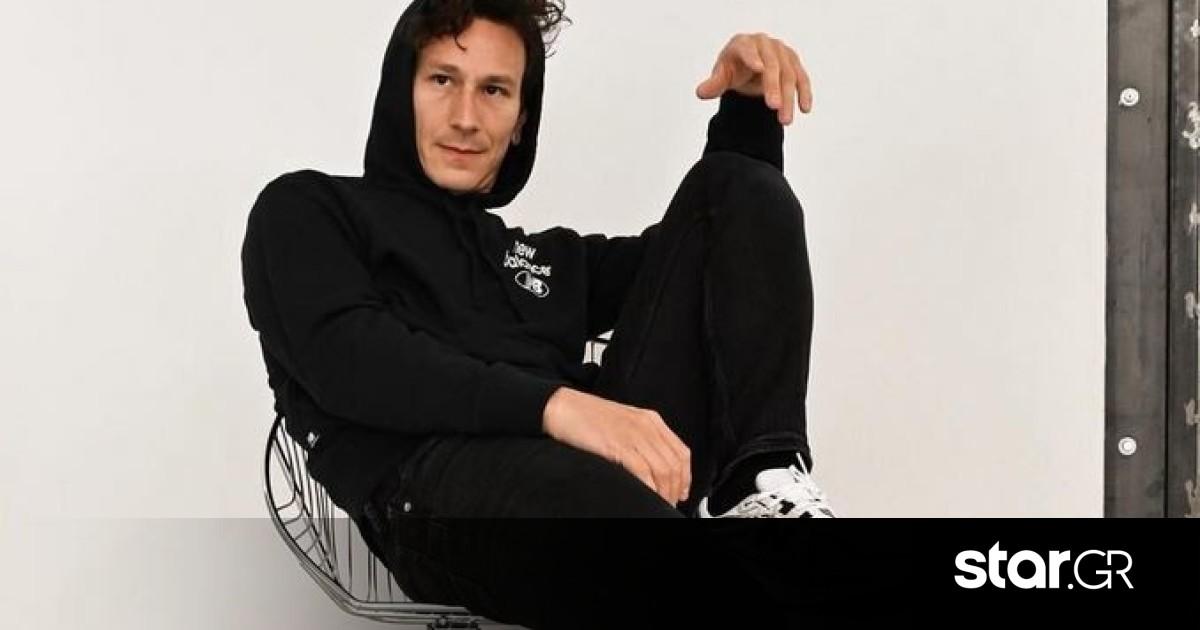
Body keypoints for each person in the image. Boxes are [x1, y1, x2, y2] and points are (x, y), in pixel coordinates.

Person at [241, 0, 835, 626]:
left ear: (521, 121)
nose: (465, 117)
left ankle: (761, 484)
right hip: (437, 491)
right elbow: (349, 359)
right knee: (619, 527)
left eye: (494, 90)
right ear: (401, 91)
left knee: (737, 186)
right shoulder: (308, 209)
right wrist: (559, 407)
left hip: (603, 484)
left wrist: (748, 111)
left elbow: (720, 251)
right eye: (442, 80)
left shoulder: (540, 263)